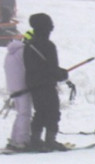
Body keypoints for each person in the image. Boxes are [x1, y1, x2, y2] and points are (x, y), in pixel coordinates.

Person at [22, 13, 72, 151]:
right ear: (46, 28)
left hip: (33, 84)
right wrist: (61, 74)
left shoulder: (29, 45)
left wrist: (57, 72)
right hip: (46, 84)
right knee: (53, 112)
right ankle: (50, 141)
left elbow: (38, 67)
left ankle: (36, 140)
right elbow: (51, 68)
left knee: (40, 112)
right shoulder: (48, 45)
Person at [3, 35, 33, 151]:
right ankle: (21, 141)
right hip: (22, 87)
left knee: (20, 113)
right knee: (25, 114)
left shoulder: (10, 52)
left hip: (13, 87)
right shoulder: (23, 52)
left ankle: (14, 138)